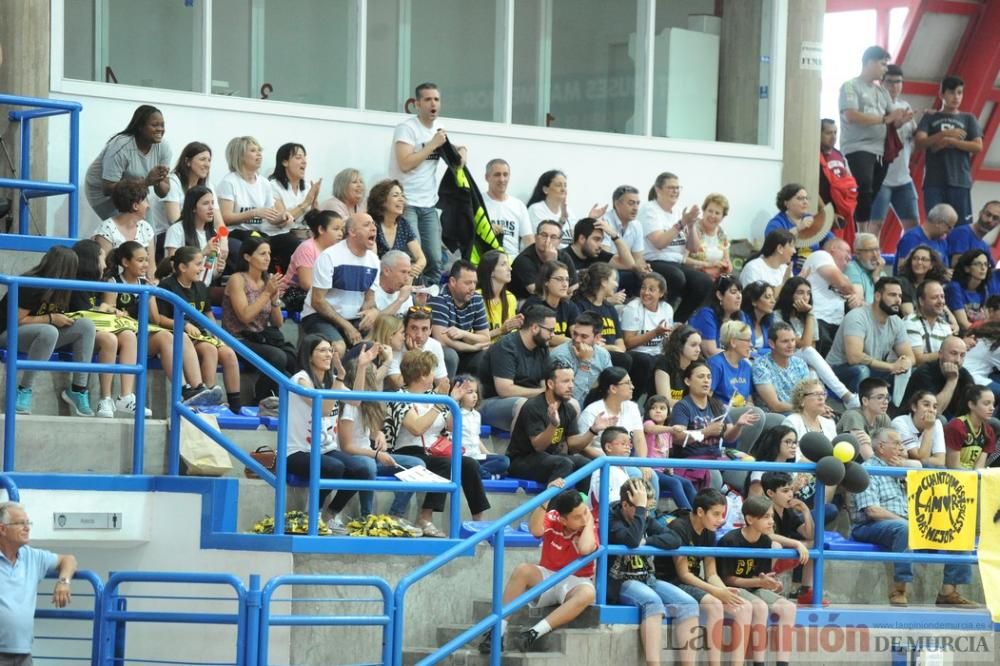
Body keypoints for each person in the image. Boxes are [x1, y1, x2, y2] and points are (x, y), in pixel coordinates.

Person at [851, 428, 977, 607]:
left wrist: (907, 467)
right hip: (871, 525)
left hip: (908, 524)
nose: (902, 448)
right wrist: (908, 523)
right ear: (881, 447)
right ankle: (899, 589)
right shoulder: (867, 470)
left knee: (956, 530)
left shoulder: (902, 469)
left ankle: (948, 592)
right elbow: (872, 511)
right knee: (905, 529)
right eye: (897, 444)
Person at [477, 488, 597, 655]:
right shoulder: (555, 516)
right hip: (548, 574)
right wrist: (546, 498)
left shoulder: (591, 524)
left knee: (588, 594)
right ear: (563, 519)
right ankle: (497, 633)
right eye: (577, 517)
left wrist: (589, 520)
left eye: (585, 512)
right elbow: (536, 530)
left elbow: (585, 548)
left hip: (576, 581)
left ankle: (533, 633)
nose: (583, 518)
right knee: (522, 570)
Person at [383, 350, 491, 536]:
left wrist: (453, 401)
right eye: (432, 371)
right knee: (445, 464)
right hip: (408, 451)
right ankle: (425, 517)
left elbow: (450, 427)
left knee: (469, 464)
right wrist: (441, 403)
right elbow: (417, 428)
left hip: (435, 450)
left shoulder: (435, 396)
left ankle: (479, 520)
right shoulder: (400, 397)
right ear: (422, 374)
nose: (435, 375)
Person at [104, 241, 223, 407]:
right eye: (140, 260)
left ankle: (197, 387)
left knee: (180, 335)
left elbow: (155, 320)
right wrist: (116, 311)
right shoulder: (113, 282)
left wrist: (151, 296)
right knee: (166, 337)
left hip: (143, 334)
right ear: (125, 262)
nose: (145, 264)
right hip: (125, 338)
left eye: (146, 260)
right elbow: (108, 311)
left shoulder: (145, 284)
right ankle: (183, 389)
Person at [285, 336, 375, 534]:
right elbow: (324, 409)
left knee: (362, 470)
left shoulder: (331, 381)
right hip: (298, 450)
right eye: (322, 351)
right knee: (334, 467)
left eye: (330, 350)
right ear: (310, 356)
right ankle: (311, 515)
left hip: (325, 449)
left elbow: (356, 401)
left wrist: (361, 367)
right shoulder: (301, 380)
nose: (328, 355)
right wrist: (340, 378)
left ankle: (330, 515)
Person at [654, 488, 752, 666]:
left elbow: (711, 573)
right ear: (700, 512)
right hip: (672, 581)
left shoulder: (709, 531)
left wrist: (724, 591)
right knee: (715, 605)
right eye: (716, 514)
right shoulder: (679, 527)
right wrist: (716, 593)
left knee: (743, 607)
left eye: (722, 514)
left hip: (694, 581)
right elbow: (684, 575)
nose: (721, 520)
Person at [606, 478, 697, 666]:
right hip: (620, 581)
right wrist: (640, 510)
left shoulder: (645, 517)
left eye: (648, 509)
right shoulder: (612, 519)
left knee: (689, 604)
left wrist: (647, 542)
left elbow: (674, 539)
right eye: (641, 508)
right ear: (625, 504)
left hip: (648, 578)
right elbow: (631, 540)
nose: (646, 514)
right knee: (653, 602)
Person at [0, 246, 97, 416]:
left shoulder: (67, 287)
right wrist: (51, 319)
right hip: (9, 334)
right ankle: (24, 389)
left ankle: (78, 390)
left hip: (42, 335)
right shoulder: (31, 282)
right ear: (66, 268)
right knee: (49, 331)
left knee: (86, 326)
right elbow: (16, 321)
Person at [337, 347, 424, 535]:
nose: (376, 381)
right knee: (368, 465)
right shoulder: (349, 405)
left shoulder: (369, 404)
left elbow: (370, 432)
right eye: (372, 377)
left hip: (369, 455)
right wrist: (377, 453)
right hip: (353, 458)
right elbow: (347, 447)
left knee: (417, 464)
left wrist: (379, 434)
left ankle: (395, 515)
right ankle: (367, 516)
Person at [69, 239, 150, 419]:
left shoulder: (97, 281)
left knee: (129, 335)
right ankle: (104, 398)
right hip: (75, 333)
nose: (105, 264)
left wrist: (108, 310)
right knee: (110, 339)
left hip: (93, 329)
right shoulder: (78, 283)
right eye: (101, 259)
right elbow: (82, 314)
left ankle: (126, 396)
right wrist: (104, 310)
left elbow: (97, 311)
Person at [154, 246, 242, 413]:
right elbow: (159, 318)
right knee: (209, 350)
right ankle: (206, 397)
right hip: (180, 336)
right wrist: (184, 325)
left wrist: (218, 335)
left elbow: (208, 313)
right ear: (182, 267)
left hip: (201, 335)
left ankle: (236, 407)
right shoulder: (167, 286)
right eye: (198, 264)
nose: (202, 268)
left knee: (229, 353)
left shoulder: (200, 286)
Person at [717, 495, 800, 666]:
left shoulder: (765, 541)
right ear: (749, 519)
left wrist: (770, 583)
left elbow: (760, 577)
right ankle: (758, 663)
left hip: (754, 587)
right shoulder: (730, 541)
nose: (771, 522)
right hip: (733, 588)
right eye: (766, 517)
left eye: (772, 516)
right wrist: (759, 583)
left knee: (789, 608)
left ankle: (782, 663)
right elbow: (728, 580)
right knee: (760, 607)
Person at [506, 359, 611, 489]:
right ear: (550, 384)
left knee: (585, 464)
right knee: (563, 463)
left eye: (572, 380)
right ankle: (550, 504)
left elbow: (573, 444)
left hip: (550, 458)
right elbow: (539, 446)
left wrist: (593, 431)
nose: (571, 385)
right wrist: (553, 425)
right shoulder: (533, 406)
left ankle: (583, 502)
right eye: (566, 381)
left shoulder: (568, 409)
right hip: (521, 460)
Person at [390, 82, 454, 283]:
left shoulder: (439, 129)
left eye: (436, 99)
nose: (432, 103)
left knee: (435, 260)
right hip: (407, 202)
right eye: (427, 99)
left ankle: (431, 302)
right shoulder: (407, 128)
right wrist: (433, 145)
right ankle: (410, 302)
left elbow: (451, 154)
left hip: (429, 204)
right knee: (414, 259)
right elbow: (405, 163)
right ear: (417, 104)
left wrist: (461, 151)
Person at [221, 237, 297, 403]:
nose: (267, 257)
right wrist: (266, 294)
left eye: (269, 253)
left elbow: (278, 323)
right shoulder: (237, 280)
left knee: (293, 358)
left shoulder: (266, 281)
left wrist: (275, 298)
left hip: (260, 337)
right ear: (247, 257)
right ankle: (262, 399)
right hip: (237, 339)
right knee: (277, 357)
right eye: (262, 253)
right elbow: (245, 316)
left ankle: (295, 401)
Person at [0, 501, 78, 661]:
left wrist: (64, 582)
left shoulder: (32, 556)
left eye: (28, 523)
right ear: (2, 529)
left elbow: (69, 560)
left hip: (24, 654)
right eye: (21, 523)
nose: (27, 528)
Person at [669, 361, 760, 490]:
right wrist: (706, 431)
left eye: (709, 377)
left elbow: (729, 437)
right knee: (714, 476)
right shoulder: (682, 406)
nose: (706, 381)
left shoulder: (716, 405)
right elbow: (677, 437)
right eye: (701, 377)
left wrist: (738, 425)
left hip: (716, 458)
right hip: (692, 461)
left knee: (748, 473)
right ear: (688, 381)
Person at [300, 213, 380, 355]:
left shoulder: (374, 261)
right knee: (338, 347)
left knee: (376, 347)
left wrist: (373, 311)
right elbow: (317, 301)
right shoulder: (330, 256)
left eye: (373, 224)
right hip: (318, 316)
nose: (373, 228)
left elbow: (369, 300)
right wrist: (347, 326)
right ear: (352, 232)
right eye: (367, 225)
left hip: (353, 318)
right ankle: (338, 377)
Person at [838, 45, 898, 234]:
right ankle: (860, 234)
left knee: (870, 193)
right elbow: (851, 115)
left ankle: (856, 230)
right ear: (870, 62)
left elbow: (891, 119)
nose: (885, 69)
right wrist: (883, 119)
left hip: (880, 151)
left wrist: (901, 119)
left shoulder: (882, 92)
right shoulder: (850, 85)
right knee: (863, 187)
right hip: (858, 147)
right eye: (882, 64)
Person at [216, 136, 295, 274]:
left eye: (259, 150)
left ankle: (287, 287)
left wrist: (283, 217)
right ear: (240, 156)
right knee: (252, 248)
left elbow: (271, 217)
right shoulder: (229, 182)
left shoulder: (264, 183)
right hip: (236, 233)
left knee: (292, 243)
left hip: (259, 234)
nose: (259, 154)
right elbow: (225, 217)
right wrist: (254, 212)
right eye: (253, 150)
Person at [772, 277, 857, 405]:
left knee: (812, 372)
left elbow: (812, 347)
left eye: (808, 293)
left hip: (801, 361)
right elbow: (805, 346)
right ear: (790, 294)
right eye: (800, 292)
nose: (805, 297)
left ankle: (819, 408)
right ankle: (846, 396)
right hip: (782, 357)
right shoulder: (777, 315)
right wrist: (810, 314)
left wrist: (809, 316)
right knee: (808, 353)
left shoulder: (810, 318)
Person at [639, 172, 711, 321]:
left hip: (676, 262)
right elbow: (659, 243)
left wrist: (691, 226)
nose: (675, 191)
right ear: (658, 190)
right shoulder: (650, 210)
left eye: (678, 188)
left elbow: (694, 248)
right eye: (671, 187)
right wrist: (681, 224)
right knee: (676, 277)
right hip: (654, 261)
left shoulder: (679, 211)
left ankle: (678, 321)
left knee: (703, 282)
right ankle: (660, 319)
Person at [827, 276, 914, 396]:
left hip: (871, 368)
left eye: (900, 296)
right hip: (839, 370)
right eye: (893, 295)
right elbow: (854, 358)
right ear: (878, 296)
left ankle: (894, 411)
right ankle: (858, 409)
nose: (898, 300)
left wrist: (904, 364)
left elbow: (910, 356)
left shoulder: (896, 322)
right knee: (861, 370)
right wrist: (891, 366)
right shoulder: (857, 317)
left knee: (910, 372)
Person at [915, 75, 984, 226]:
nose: (956, 97)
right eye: (952, 92)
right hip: (934, 181)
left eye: (960, 93)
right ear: (942, 94)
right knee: (934, 225)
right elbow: (920, 142)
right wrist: (944, 135)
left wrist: (951, 142)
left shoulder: (968, 118)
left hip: (960, 180)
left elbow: (978, 146)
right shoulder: (930, 117)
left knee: (961, 227)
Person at [84, 104, 171, 221]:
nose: (160, 129)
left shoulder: (163, 147)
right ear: (140, 127)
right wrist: (146, 182)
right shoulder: (121, 146)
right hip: (104, 193)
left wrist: (159, 179)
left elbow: (163, 193)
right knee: (126, 227)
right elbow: (107, 188)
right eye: (154, 125)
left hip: (135, 189)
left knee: (148, 229)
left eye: (162, 125)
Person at [580, 369, 658, 497]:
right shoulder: (592, 411)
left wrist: (643, 463)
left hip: (626, 459)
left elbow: (639, 438)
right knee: (636, 475)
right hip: (602, 461)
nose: (632, 387)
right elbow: (583, 447)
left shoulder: (632, 407)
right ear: (613, 388)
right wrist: (610, 459)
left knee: (652, 475)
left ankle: (649, 514)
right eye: (627, 383)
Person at [478, 304, 554, 431]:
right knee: (524, 405)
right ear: (535, 328)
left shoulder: (542, 348)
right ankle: (518, 451)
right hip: (490, 402)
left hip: (527, 399)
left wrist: (550, 395)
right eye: (550, 330)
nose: (553, 335)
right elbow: (505, 390)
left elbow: (543, 384)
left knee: (569, 404)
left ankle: (556, 450)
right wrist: (543, 393)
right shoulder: (506, 347)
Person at [870, 64, 919, 234]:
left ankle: (908, 259)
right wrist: (894, 123)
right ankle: (869, 259)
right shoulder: (874, 106)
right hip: (881, 178)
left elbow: (915, 136)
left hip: (903, 177)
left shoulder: (905, 105)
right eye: (890, 82)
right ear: (881, 83)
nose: (894, 86)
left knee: (913, 227)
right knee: (874, 226)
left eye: (898, 82)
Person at [782, 378, 839, 524]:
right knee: (831, 468)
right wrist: (822, 464)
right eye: (815, 394)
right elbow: (793, 456)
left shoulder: (829, 423)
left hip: (824, 475)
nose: (821, 397)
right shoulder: (792, 421)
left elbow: (835, 454)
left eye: (823, 393)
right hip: (799, 477)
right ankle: (812, 518)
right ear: (802, 401)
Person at [760, 471, 820, 605]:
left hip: (782, 557)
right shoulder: (764, 509)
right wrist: (796, 543)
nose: (790, 494)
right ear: (770, 493)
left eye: (791, 490)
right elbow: (767, 535)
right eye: (785, 491)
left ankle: (805, 591)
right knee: (775, 545)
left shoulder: (788, 511)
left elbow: (809, 535)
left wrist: (805, 511)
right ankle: (764, 585)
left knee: (815, 543)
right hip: (761, 562)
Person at [429, 259, 491, 375]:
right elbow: (441, 340)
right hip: (438, 351)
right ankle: (447, 392)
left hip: (462, 349)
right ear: (453, 281)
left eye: (474, 282)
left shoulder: (476, 299)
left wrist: (464, 333)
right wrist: (471, 347)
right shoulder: (439, 297)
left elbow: (485, 338)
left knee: (486, 355)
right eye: (468, 283)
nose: (473, 287)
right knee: (450, 355)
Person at [801, 237, 861, 354]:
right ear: (833, 248)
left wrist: (857, 298)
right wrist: (854, 293)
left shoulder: (845, 277)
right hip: (818, 320)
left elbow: (850, 291)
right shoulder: (821, 255)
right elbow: (844, 285)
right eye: (847, 251)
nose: (850, 257)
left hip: (836, 325)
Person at [148, 140, 218, 236]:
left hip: (195, 234)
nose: (207, 164)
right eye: (202, 159)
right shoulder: (173, 183)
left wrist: (223, 238)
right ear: (188, 162)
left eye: (209, 160)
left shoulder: (208, 185)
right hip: (167, 235)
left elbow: (219, 221)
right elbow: (175, 221)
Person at [281, 209, 344, 315]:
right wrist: (332, 293)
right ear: (321, 230)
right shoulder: (307, 248)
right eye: (336, 229)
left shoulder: (338, 250)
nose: (340, 234)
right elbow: (306, 283)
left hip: (322, 290)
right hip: (295, 291)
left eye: (342, 229)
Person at [92, 179, 157, 282]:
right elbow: (103, 268)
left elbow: (151, 267)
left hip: (143, 289)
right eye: (145, 200)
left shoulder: (146, 228)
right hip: (115, 288)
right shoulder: (106, 230)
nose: (148, 205)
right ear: (135, 206)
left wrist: (153, 284)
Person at [621, 272, 673, 394]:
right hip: (637, 354)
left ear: (661, 293)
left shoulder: (667, 309)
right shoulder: (633, 308)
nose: (645, 292)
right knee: (646, 361)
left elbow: (666, 340)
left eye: (651, 289)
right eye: (643, 287)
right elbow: (628, 343)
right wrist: (655, 332)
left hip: (657, 354)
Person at [642, 395, 697, 510]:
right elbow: (652, 429)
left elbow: (666, 453)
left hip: (662, 471)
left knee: (687, 483)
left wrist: (668, 467)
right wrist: (671, 429)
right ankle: (687, 513)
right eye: (653, 408)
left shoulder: (667, 433)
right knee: (675, 483)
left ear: (668, 413)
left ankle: (699, 511)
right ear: (648, 411)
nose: (658, 410)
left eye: (662, 408)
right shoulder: (647, 424)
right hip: (650, 471)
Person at [163, 186, 227, 285]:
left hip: (201, 290)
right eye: (206, 203)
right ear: (193, 208)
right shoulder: (176, 230)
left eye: (212, 203)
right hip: (179, 289)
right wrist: (203, 253)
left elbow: (207, 275)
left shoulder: (213, 233)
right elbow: (173, 266)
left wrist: (218, 270)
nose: (211, 208)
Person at [526, 169, 605, 248]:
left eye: (565, 185)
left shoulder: (569, 212)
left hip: (565, 257)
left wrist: (589, 219)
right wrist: (562, 219)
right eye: (558, 185)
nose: (563, 189)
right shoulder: (536, 209)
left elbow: (577, 239)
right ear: (545, 189)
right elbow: (546, 241)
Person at [901, 335, 975, 419]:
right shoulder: (924, 373)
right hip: (914, 421)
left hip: (949, 420)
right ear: (940, 354)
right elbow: (934, 412)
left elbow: (975, 404)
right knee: (941, 419)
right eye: (953, 353)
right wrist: (952, 381)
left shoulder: (964, 374)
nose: (958, 360)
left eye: (962, 355)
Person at [368, 179, 427, 280]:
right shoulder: (372, 224)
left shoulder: (403, 224)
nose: (401, 199)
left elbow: (421, 258)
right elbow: (372, 261)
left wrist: (415, 269)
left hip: (397, 278)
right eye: (395, 195)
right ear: (382, 201)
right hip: (376, 276)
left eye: (402, 196)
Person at [549, 311, 613, 405]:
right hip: (565, 407)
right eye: (575, 334)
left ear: (597, 338)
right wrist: (584, 364)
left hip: (595, 404)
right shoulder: (560, 355)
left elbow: (610, 385)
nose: (577, 339)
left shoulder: (603, 354)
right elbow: (571, 398)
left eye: (584, 336)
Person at [455, 375, 510, 479]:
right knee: (469, 466)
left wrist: (488, 453)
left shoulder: (476, 415)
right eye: (470, 392)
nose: (475, 396)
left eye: (475, 392)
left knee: (504, 461)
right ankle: (486, 475)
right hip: (464, 458)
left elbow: (476, 437)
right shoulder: (455, 413)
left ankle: (479, 473)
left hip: (477, 457)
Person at [765, 183, 829, 272]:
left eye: (806, 198)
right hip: (789, 273)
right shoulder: (776, 223)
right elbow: (774, 245)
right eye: (800, 198)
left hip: (815, 270)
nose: (805, 202)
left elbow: (831, 239)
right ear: (786, 203)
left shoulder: (811, 219)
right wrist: (798, 228)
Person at [509, 219, 579, 299]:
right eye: (544, 235)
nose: (547, 240)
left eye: (553, 237)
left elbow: (574, 287)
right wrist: (551, 263)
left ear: (559, 241)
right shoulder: (524, 260)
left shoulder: (564, 256)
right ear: (536, 237)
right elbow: (537, 291)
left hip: (556, 299)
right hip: (526, 301)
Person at [384, 306, 449, 393]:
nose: (419, 335)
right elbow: (398, 385)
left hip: (426, 400)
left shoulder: (435, 345)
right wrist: (414, 356)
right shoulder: (396, 345)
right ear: (405, 328)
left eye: (424, 329)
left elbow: (443, 384)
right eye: (414, 328)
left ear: (430, 330)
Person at [752, 322, 811, 414]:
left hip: (800, 411)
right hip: (776, 416)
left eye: (793, 340)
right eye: (785, 341)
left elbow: (808, 394)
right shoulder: (761, 366)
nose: (791, 345)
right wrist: (806, 408)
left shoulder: (800, 363)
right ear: (772, 344)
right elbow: (775, 406)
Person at [818, 118, 859, 244]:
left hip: (844, 215)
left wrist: (849, 209)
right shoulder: (813, 154)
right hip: (823, 215)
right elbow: (811, 189)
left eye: (835, 132)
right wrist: (827, 214)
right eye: (828, 133)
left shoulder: (840, 155)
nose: (833, 137)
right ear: (818, 133)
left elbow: (851, 185)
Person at [603, 185, 649, 297]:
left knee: (651, 277)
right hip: (608, 269)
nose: (636, 208)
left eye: (638, 203)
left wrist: (643, 269)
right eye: (631, 203)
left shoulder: (636, 224)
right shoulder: (605, 221)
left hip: (627, 267)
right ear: (617, 204)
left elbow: (638, 258)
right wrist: (634, 266)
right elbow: (605, 259)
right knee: (614, 276)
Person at [522, 260, 579, 348]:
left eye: (567, 280)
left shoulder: (569, 306)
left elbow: (576, 333)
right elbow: (541, 335)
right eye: (559, 279)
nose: (565, 284)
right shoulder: (533, 305)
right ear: (546, 281)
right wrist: (572, 341)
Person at [688, 274, 747, 358]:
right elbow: (710, 351)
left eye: (740, 292)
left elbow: (746, 346)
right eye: (733, 292)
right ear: (719, 295)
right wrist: (737, 354)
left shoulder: (740, 316)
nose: (739, 296)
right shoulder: (706, 315)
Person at [483, 158, 533, 258]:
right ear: (487, 177)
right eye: (497, 175)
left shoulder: (518, 205)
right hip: (486, 260)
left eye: (505, 175)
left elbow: (529, 241)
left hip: (512, 262)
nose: (502, 179)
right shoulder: (479, 202)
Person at [944, 384, 997, 470]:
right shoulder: (957, 426)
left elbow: (979, 468)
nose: (992, 408)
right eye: (986, 403)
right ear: (971, 405)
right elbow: (953, 467)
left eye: (993, 404)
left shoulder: (989, 431)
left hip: (972, 477)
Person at [904, 278, 957, 364]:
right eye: (935, 297)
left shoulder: (945, 326)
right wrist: (950, 352)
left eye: (942, 297)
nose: (941, 301)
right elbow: (918, 360)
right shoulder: (910, 322)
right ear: (921, 301)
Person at [836, 376, 891, 460]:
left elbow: (893, 448)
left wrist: (872, 442)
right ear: (865, 401)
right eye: (880, 397)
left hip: (878, 462)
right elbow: (868, 457)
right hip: (850, 466)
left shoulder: (884, 418)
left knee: (914, 464)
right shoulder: (853, 416)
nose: (886, 402)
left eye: (887, 397)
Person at [268, 142, 321, 226]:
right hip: (279, 235)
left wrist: (315, 200)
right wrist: (306, 203)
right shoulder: (273, 186)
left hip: (303, 233)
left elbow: (316, 222)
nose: (304, 161)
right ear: (285, 162)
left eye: (305, 158)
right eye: (298, 157)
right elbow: (282, 223)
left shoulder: (307, 187)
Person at [894, 203, 957, 273]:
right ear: (939, 223)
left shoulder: (942, 242)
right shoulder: (912, 238)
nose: (949, 232)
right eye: (949, 227)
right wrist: (939, 274)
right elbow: (902, 270)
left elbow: (945, 268)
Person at [892, 390, 947, 467]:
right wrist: (929, 429)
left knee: (940, 468)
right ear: (914, 407)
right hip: (904, 469)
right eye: (926, 405)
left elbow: (940, 461)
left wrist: (919, 460)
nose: (931, 410)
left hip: (920, 466)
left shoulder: (937, 423)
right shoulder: (900, 422)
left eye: (935, 407)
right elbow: (918, 456)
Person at [476, 250, 521, 343]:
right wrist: (500, 330)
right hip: (481, 351)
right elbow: (470, 338)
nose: (510, 268)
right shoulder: (476, 298)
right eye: (504, 264)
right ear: (491, 271)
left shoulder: (510, 298)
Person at [564, 217, 635, 276]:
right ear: (582, 239)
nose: (600, 245)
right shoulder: (562, 257)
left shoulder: (597, 254)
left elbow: (629, 265)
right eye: (596, 239)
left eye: (601, 240)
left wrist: (614, 236)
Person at [685, 193, 732, 282]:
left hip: (717, 276)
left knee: (732, 284)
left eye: (717, 213)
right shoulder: (692, 229)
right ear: (704, 211)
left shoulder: (722, 233)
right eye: (710, 211)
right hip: (696, 275)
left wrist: (727, 266)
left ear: (722, 217)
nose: (713, 216)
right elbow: (683, 259)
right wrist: (707, 265)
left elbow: (726, 259)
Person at [706, 320, 753, 406]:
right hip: (721, 412)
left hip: (743, 412)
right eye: (748, 340)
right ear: (733, 342)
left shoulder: (747, 367)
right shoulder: (715, 364)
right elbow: (706, 397)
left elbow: (749, 400)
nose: (751, 345)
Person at [652, 325, 702, 406]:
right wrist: (693, 405)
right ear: (679, 346)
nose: (698, 350)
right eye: (693, 345)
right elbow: (665, 401)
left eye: (699, 345)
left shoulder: (697, 365)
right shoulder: (664, 363)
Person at [896, 245, 951, 316]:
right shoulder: (903, 282)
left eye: (924, 259)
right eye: (915, 258)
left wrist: (953, 323)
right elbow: (909, 314)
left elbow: (943, 307)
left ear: (931, 264)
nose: (919, 262)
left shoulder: (932, 284)